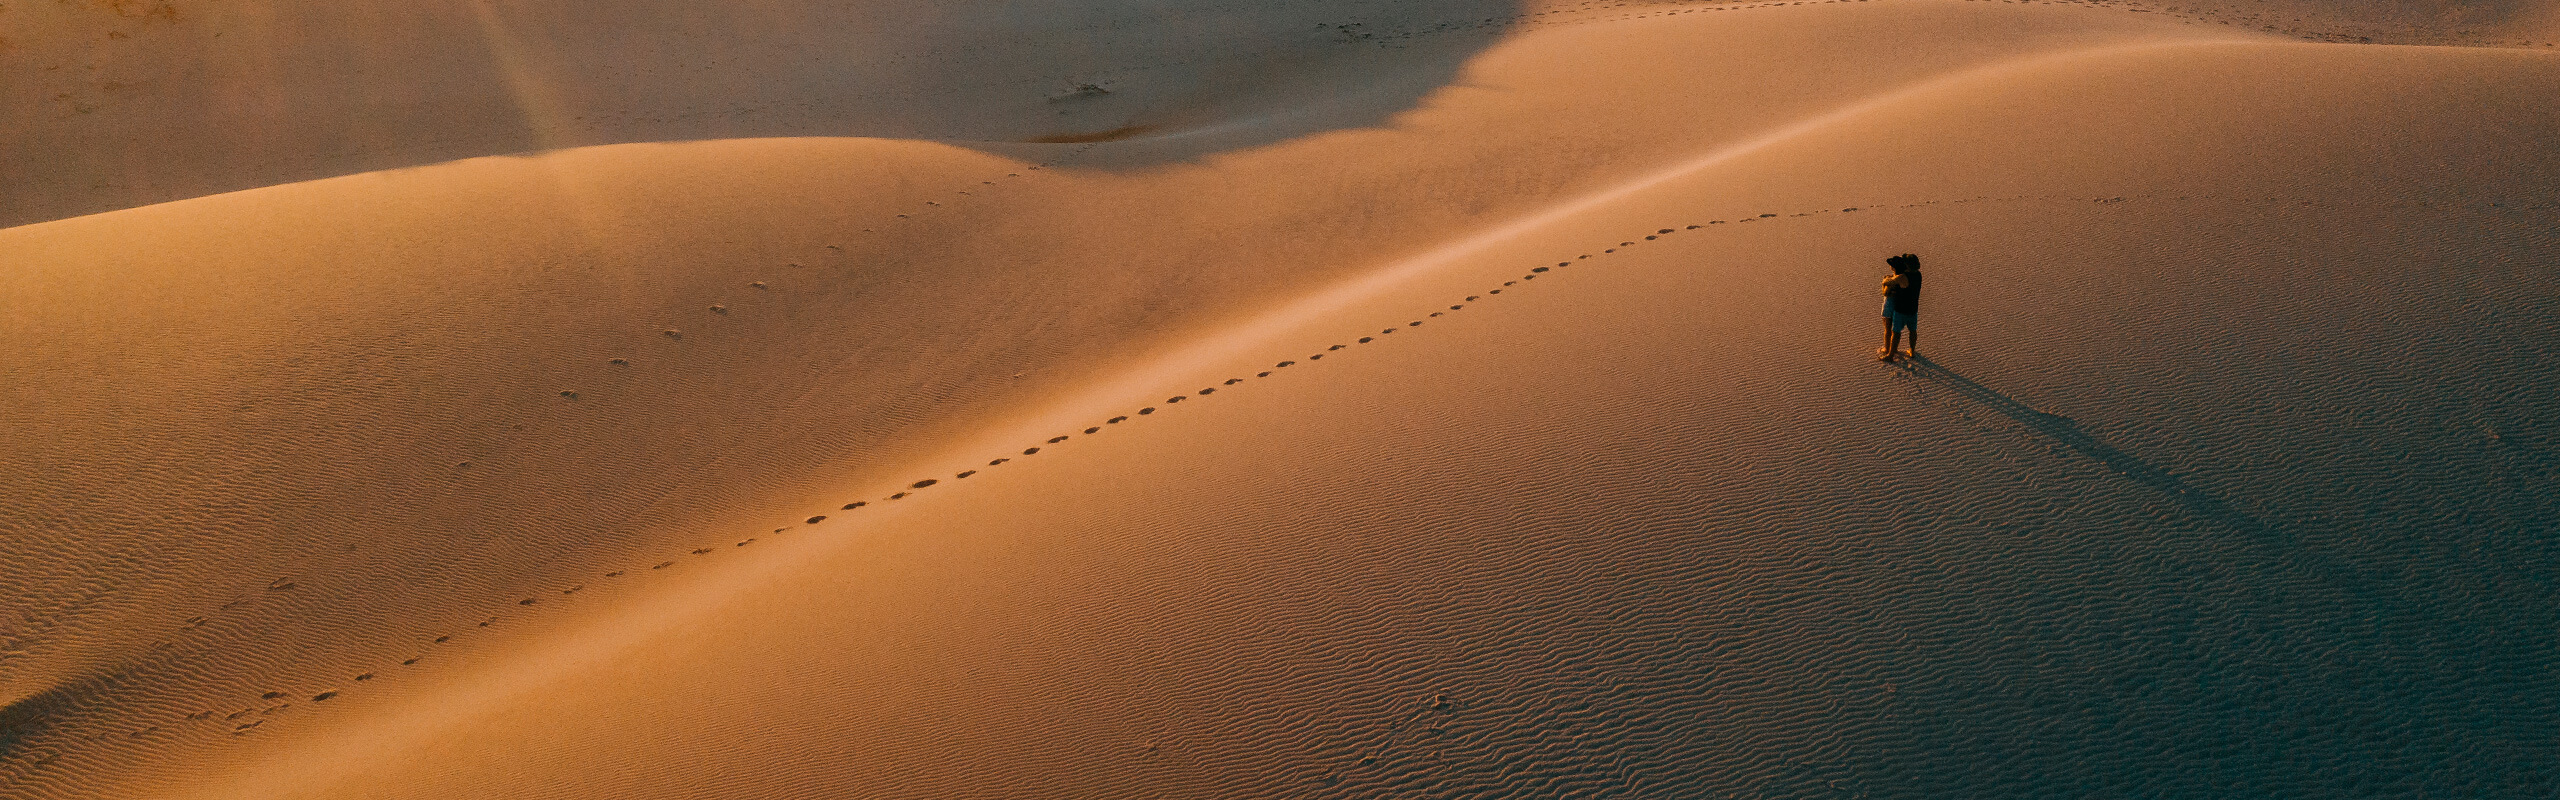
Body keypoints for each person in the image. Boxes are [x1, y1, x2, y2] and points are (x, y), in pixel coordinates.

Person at [1877, 253, 1921, 361]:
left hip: (1901, 309)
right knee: (1913, 331)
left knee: (1896, 332)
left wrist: (1885, 279)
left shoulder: (1903, 277)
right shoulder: (1918, 275)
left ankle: (1890, 355)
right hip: (1913, 309)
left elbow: (1889, 282)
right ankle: (1912, 351)